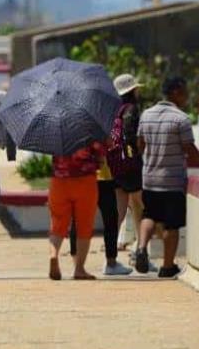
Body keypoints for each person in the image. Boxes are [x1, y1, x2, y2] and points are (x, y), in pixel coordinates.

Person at [134, 76, 199, 278]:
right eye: (185, 92)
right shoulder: (181, 119)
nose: (187, 96)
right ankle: (167, 266)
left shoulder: (146, 115)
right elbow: (191, 152)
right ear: (176, 92)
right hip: (172, 180)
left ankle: (142, 247)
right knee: (172, 224)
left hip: (150, 178)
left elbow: (140, 146)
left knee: (149, 215)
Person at [49, 139, 106, 280]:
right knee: (84, 225)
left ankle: (53, 255)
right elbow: (100, 157)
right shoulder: (89, 132)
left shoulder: (56, 131)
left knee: (58, 223)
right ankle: (79, 269)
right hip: (85, 181)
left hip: (59, 181)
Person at [108, 73, 145, 256]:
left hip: (115, 165)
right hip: (130, 165)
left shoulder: (114, 110)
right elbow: (131, 137)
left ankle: (110, 254)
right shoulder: (131, 109)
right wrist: (139, 154)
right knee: (139, 206)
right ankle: (140, 250)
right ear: (132, 90)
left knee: (119, 212)